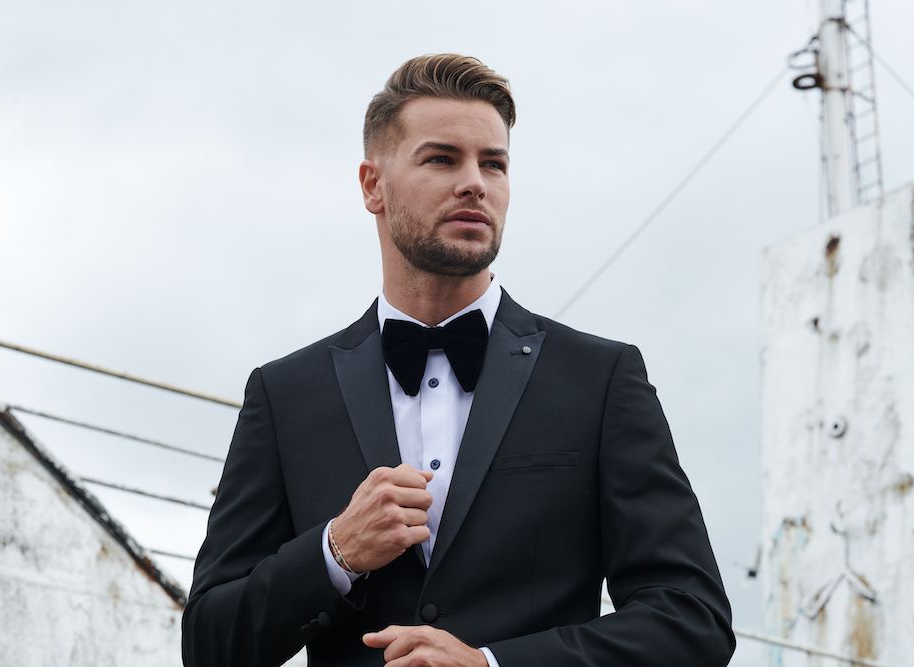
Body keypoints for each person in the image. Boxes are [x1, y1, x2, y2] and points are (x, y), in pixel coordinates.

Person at [182, 53, 735, 667]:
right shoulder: (286, 394)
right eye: (442, 158)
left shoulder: (600, 380)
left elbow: (692, 620)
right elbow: (210, 645)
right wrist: (336, 553)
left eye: (493, 164)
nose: (475, 181)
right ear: (373, 186)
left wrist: (492, 665)